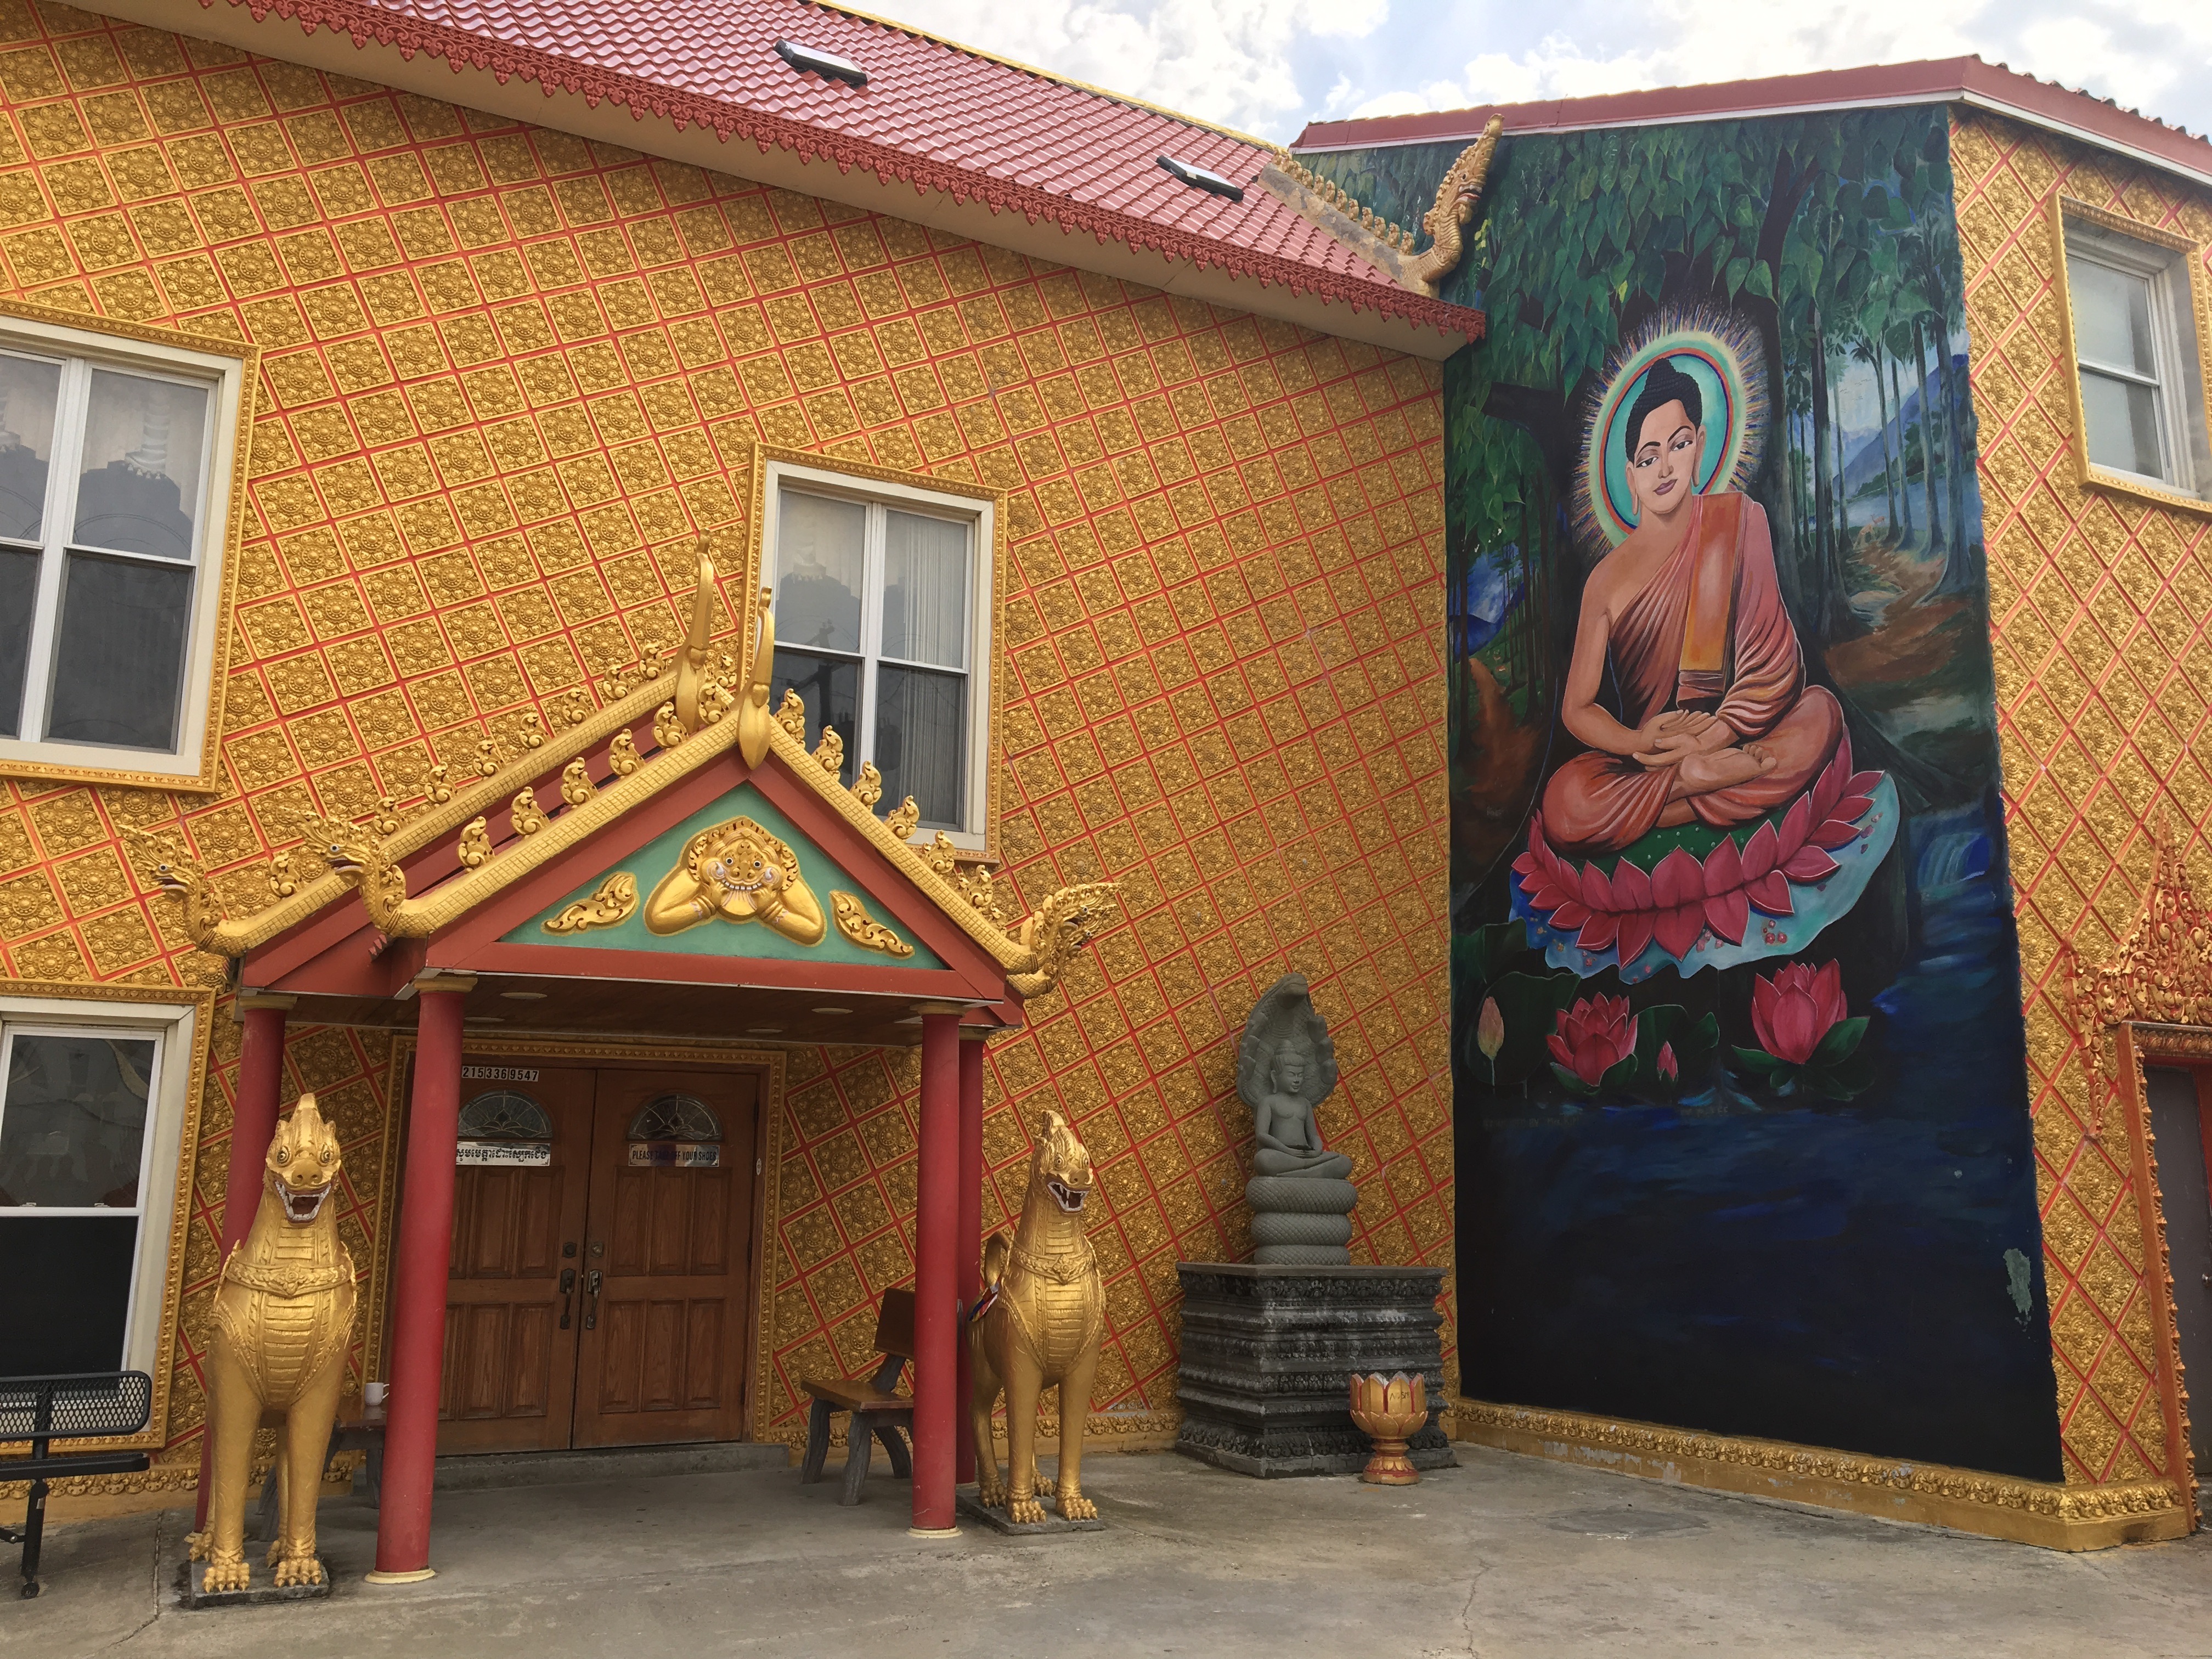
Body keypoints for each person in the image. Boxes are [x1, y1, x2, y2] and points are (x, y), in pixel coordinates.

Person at [1541, 357, 1842, 857]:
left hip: (1730, 736)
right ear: (1630, 476)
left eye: (1679, 445)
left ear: (1700, 447)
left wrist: (1715, 737)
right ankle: (1690, 784)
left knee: (1821, 713)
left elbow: (1773, 663)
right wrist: (1637, 743)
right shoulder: (1605, 581)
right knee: (1565, 801)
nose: (1664, 468)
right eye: (1648, 458)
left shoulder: (1738, 521)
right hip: (1650, 756)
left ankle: (1691, 785)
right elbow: (1578, 708)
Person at [1250, 1042, 1353, 1180]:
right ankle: (1311, 1173)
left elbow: (1313, 1136)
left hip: (1306, 1155)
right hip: (1282, 1154)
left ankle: (1298, 1173)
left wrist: (1317, 1150)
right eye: (1292, 1075)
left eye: (1300, 1075)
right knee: (1264, 1160)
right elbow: (1262, 1135)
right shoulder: (1268, 1102)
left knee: (1344, 1162)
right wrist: (1287, 1150)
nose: (1297, 1080)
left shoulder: (1305, 1104)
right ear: (1275, 1077)